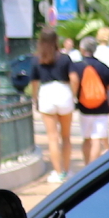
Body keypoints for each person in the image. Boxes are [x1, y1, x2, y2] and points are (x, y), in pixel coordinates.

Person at [29, 31, 75, 183]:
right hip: (63, 92)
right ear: (56, 40)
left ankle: (57, 172)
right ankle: (67, 171)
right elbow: (74, 79)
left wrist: (35, 98)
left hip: (47, 93)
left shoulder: (37, 59)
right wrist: (73, 95)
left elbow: (34, 83)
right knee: (66, 137)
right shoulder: (65, 58)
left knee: (52, 137)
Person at [72, 38, 109, 166]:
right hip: (102, 108)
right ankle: (93, 167)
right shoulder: (103, 67)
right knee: (97, 139)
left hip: (84, 107)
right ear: (95, 49)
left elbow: (73, 82)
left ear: (82, 49)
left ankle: (86, 165)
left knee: (87, 139)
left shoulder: (76, 66)